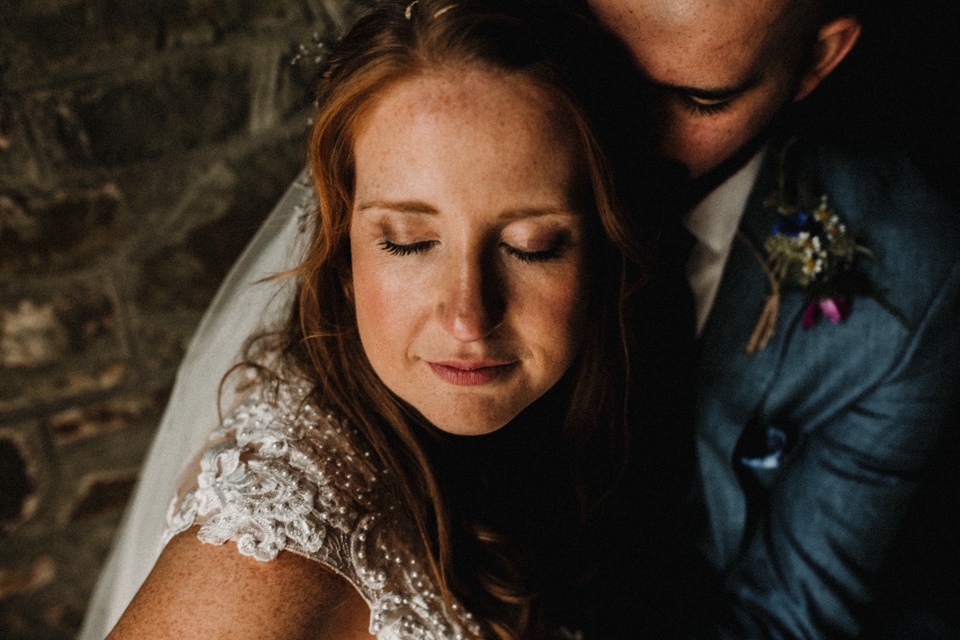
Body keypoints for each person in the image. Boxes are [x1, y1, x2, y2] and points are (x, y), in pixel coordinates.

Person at [100, 1, 647, 638]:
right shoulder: (265, 544)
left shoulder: (592, 415)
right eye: (409, 243)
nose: (469, 318)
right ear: (341, 244)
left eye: (531, 247)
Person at [570, 0, 960, 638]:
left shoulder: (905, 285)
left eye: (700, 100)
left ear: (816, 58)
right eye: (599, 66)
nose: (624, 129)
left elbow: (785, 618)